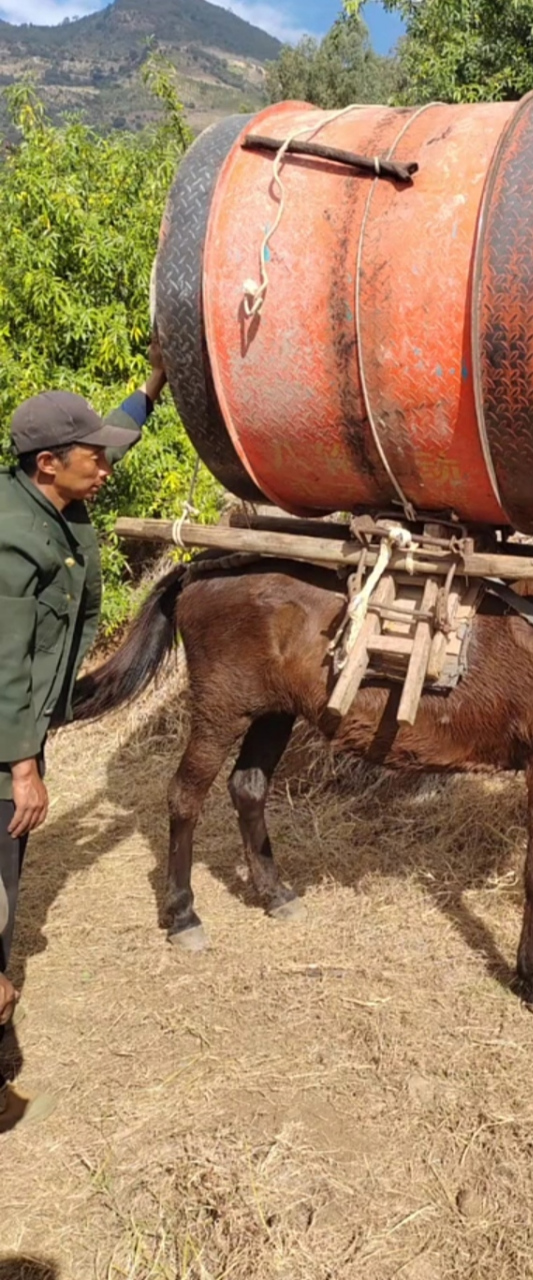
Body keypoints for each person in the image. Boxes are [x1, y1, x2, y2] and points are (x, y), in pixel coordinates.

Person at [0, 338, 167, 1127]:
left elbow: (115, 435)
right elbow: (1, 667)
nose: (106, 468)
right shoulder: (13, 541)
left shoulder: (51, 497)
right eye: (90, 460)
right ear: (47, 466)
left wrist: (153, 386)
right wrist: (22, 765)